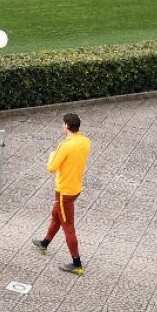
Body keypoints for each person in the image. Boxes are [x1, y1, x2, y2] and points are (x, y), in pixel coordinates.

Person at [32, 113, 92, 275]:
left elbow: (51, 168)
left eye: (62, 124)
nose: (62, 126)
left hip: (64, 191)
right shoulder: (85, 142)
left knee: (68, 226)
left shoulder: (65, 145)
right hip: (75, 188)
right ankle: (44, 243)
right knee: (56, 214)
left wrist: (52, 154)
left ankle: (77, 263)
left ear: (66, 126)